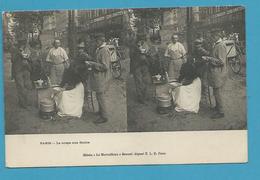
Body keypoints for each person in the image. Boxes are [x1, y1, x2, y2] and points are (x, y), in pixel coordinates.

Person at [86, 33, 112, 123]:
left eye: (97, 41)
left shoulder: (104, 50)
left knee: (101, 96)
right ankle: (101, 112)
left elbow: (105, 66)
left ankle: (104, 117)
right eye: (95, 41)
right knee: (98, 95)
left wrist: (92, 64)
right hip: (98, 77)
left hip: (102, 77)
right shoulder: (99, 49)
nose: (95, 43)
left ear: (101, 41)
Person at [202, 30, 228, 119]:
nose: (211, 38)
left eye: (213, 36)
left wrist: (209, 59)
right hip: (215, 72)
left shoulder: (220, 45)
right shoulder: (216, 44)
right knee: (215, 91)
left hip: (218, 73)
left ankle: (221, 112)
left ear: (217, 35)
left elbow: (221, 61)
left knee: (218, 93)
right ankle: (217, 107)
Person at [131, 34, 152, 104]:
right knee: (138, 82)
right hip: (137, 66)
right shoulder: (133, 46)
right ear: (137, 39)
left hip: (145, 65)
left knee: (146, 81)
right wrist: (138, 50)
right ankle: (140, 98)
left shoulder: (145, 44)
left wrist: (147, 53)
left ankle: (145, 96)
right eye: (140, 39)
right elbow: (131, 56)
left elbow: (149, 53)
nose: (141, 41)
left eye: (143, 39)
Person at [11, 39, 32, 108]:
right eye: (22, 44)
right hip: (18, 71)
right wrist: (19, 53)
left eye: (24, 44)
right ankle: (23, 104)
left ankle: (26, 101)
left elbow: (30, 59)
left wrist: (27, 57)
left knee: (27, 86)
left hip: (26, 70)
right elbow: (12, 60)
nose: (23, 46)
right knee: (20, 87)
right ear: (19, 44)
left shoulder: (27, 49)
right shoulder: (14, 50)